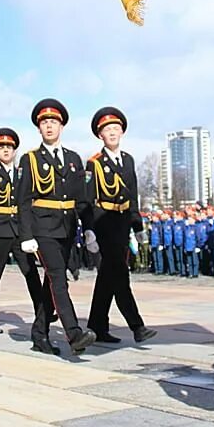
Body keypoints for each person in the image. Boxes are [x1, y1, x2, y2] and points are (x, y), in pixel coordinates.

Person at [18, 98, 97, 357]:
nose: (49, 126)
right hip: (43, 229)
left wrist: (88, 229)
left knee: (50, 282)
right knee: (58, 279)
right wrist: (26, 234)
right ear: (38, 129)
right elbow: (24, 200)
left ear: (61, 126)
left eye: (53, 122)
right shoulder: (30, 160)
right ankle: (74, 333)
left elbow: (82, 200)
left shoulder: (73, 159)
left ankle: (39, 332)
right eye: (44, 123)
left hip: (66, 228)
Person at [84, 107, 157, 346]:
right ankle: (137, 326)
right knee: (119, 275)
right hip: (104, 223)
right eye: (107, 129)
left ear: (122, 132)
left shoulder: (128, 160)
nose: (112, 133)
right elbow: (88, 199)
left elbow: (132, 194)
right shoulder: (94, 163)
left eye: (115, 128)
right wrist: (90, 230)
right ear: (100, 135)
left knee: (107, 277)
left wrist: (138, 225)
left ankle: (96, 327)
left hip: (123, 223)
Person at [0, 127, 44, 335]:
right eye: (1, 147)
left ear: (15, 150)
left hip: (19, 231)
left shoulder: (23, 173)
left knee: (31, 273)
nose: (6, 151)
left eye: (9, 147)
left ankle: (42, 313)